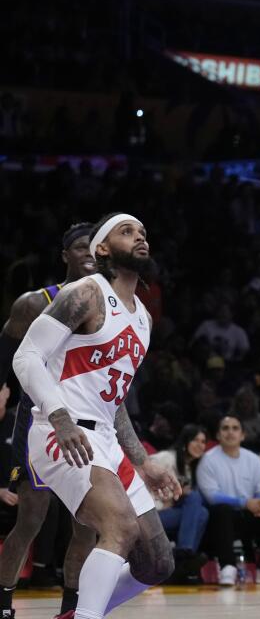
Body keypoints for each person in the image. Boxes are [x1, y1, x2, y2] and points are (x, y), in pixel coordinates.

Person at [13, 213, 180, 619]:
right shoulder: (86, 292)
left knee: (157, 562)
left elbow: (114, 400)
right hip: (60, 433)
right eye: (127, 232)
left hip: (104, 438)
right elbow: (27, 355)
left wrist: (142, 461)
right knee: (119, 527)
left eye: (143, 232)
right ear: (101, 249)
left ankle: (79, 614)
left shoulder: (143, 317)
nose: (140, 237)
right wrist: (60, 417)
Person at [0, 223, 98, 619]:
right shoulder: (35, 302)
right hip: (39, 416)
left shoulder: (112, 304)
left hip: (90, 419)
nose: (88, 252)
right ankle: (4, 604)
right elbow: (7, 344)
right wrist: (3, 387)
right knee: (32, 518)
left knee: (87, 524)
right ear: (65, 256)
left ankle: (71, 609)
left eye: (95, 246)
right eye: (79, 247)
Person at [197, 415, 260, 586]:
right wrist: (245, 503)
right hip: (226, 518)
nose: (230, 432)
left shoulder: (254, 459)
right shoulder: (208, 460)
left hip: (252, 514)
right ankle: (228, 567)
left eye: (235, 428)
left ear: (242, 435)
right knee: (221, 510)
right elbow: (211, 496)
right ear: (218, 435)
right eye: (225, 428)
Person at [148, 424, 210, 579]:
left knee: (202, 512)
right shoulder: (165, 458)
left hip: (166, 515)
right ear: (184, 441)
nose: (200, 445)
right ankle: (185, 554)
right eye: (195, 440)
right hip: (148, 515)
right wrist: (162, 503)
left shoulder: (190, 469)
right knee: (195, 499)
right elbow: (140, 479)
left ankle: (182, 560)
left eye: (203, 442)